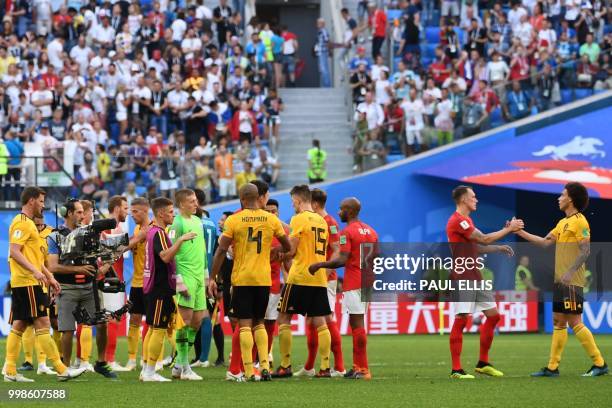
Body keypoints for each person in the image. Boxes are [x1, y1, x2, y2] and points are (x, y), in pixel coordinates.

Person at [518, 183, 608, 377]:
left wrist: (570, 272)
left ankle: (600, 364)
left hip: (572, 281)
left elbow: (586, 251)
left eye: (562, 195)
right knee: (558, 321)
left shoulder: (581, 222)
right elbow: (544, 243)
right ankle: (552, 367)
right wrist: (519, 232)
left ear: (571, 199)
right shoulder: (562, 223)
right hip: (561, 281)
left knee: (575, 322)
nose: (559, 198)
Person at [209, 183, 290, 381]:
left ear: (242, 199)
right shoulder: (271, 219)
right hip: (263, 279)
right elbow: (287, 246)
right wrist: (273, 252)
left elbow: (221, 250)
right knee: (260, 322)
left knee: (244, 324)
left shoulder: (234, 220)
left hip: (242, 278)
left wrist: (212, 277)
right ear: (258, 197)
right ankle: (263, 366)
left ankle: (246, 371)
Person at [4, 187, 86, 382]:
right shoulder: (21, 223)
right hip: (27, 282)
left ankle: (10, 370)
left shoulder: (30, 225)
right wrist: (35, 272)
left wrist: (49, 276)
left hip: (31, 281)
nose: (43, 205)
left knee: (20, 325)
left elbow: (35, 258)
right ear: (31, 201)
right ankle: (61, 369)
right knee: (43, 323)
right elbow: (14, 251)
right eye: (41, 201)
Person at [446, 185, 522, 379]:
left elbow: (478, 247)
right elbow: (484, 239)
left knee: (494, 316)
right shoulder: (457, 221)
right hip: (462, 276)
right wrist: (509, 230)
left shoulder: (467, 221)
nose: (476, 200)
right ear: (463, 199)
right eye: (473, 197)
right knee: (462, 319)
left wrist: (499, 248)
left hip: (475, 276)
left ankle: (483, 363)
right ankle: (456, 369)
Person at [309, 197, 378, 380]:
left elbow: (341, 259)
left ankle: (363, 369)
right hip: (367, 281)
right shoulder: (371, 231)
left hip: (354, 281)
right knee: (358, 324)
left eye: (341, 209)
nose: (339, 212)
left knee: (357, 325)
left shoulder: (347, 232)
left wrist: (319, 265)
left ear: (350, 211)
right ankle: (357, 367)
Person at [272, 185, 332, 378]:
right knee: (320, 321)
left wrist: (278, 254)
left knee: (283, 318)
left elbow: (292, 249)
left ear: (298, 201)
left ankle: (285, 364)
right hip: (319, 277)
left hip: (299, 276)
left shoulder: (298, 219)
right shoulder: (321, 221)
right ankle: (324, 367)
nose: (293, 206)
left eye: (292, 202)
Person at [140, 197, 197, 382]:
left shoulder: (153, 231)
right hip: (160, 289)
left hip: (155, 287)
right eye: (171, 211)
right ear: (161, 213)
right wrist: (180, 240)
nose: (173, 215)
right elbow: (165, 256)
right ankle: (149, 372)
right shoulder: (158, 233)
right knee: (158, 329)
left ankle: (146, 370)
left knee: (153, 329)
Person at [295, 189, 345, 377]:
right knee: (312, 319)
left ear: (314, 204)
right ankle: (309, 366)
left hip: (324, 279)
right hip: (312, 278)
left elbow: (337, 249)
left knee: (326, 318)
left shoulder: (330, 222)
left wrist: (325, 272)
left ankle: (339, 366)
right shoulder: (316, 221)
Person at [169, 189, 208, 381]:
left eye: (196, 201)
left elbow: (201, 250)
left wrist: (207, 275)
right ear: (182, 204)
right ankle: (184, 367)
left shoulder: (198, 221)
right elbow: (170, 252)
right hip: (185, 276)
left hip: (200, 276)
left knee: (197, 321)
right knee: (184, 323)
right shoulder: (177, 222)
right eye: (192, 202)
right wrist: (178, 279)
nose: (196, 204)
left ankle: (178, 365)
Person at [191, 188, 223, 368]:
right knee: (206, 316)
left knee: (201, 316)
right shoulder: (210, 223)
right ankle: (201, 357)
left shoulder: (194, 224)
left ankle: (202, 358)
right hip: (211, 274)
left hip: (198, 274)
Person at [124, 198, 152, 371]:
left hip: (151, 282)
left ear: (145, 211)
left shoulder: (153, 228)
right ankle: (132, 360)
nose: (131, 214)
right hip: (136, 282)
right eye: (131, 211)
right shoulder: (136, 228)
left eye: (135, 211)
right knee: (134, 320)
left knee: (153, 323)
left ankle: (150, 359)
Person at [315, 18, 331, 88]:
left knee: (323, 69)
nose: (317, 24)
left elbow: (327, 41)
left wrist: (329, 51)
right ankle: (325, 85)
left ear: (322, 24)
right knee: (323, 69)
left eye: (318, 23)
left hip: (323, 52)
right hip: (321, 52)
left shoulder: (323, 31)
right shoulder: (320, 31)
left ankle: (327, 86)